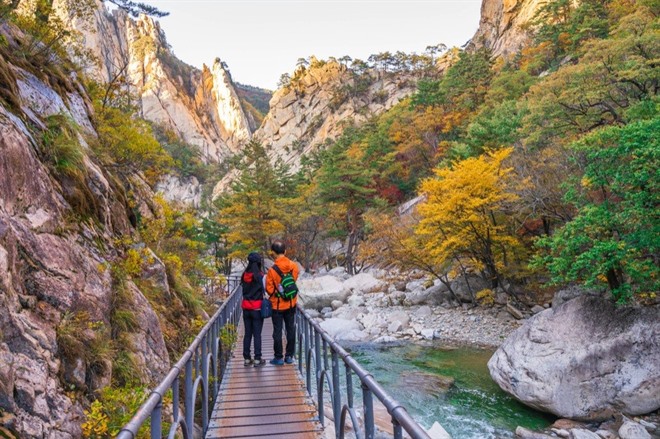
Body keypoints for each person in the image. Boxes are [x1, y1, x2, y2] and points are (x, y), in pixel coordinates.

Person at [265, 240, 299, 365]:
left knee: (277, 331)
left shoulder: (272, 270)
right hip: (291, 303)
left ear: (273, 253)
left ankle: (278, 357)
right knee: (290, 329)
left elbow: (269, 290)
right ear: (285, 251)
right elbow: (293, 281)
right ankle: (289, 356)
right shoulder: (293, 266)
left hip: (277, 305)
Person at [240, 252, 266, 367]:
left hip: (246, 307)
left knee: (247, 334)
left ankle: (246, 358)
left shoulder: (244, 275)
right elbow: (265, 290)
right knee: (257, 334)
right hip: (257, 308)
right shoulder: (260, 276)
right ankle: (257, 358)